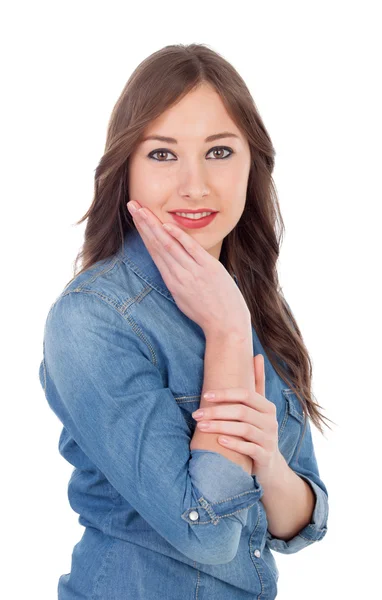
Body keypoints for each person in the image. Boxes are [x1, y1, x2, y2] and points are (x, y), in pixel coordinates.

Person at [38, 43, 332, 599]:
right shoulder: (92, 319)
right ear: (126, 168)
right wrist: (224, 334)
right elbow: (210, 535)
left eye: (219, 152)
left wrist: (266, 462)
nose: (194, 185)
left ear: (253, 162)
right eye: (163, 154)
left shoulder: (249, 298)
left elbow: (300, 521)